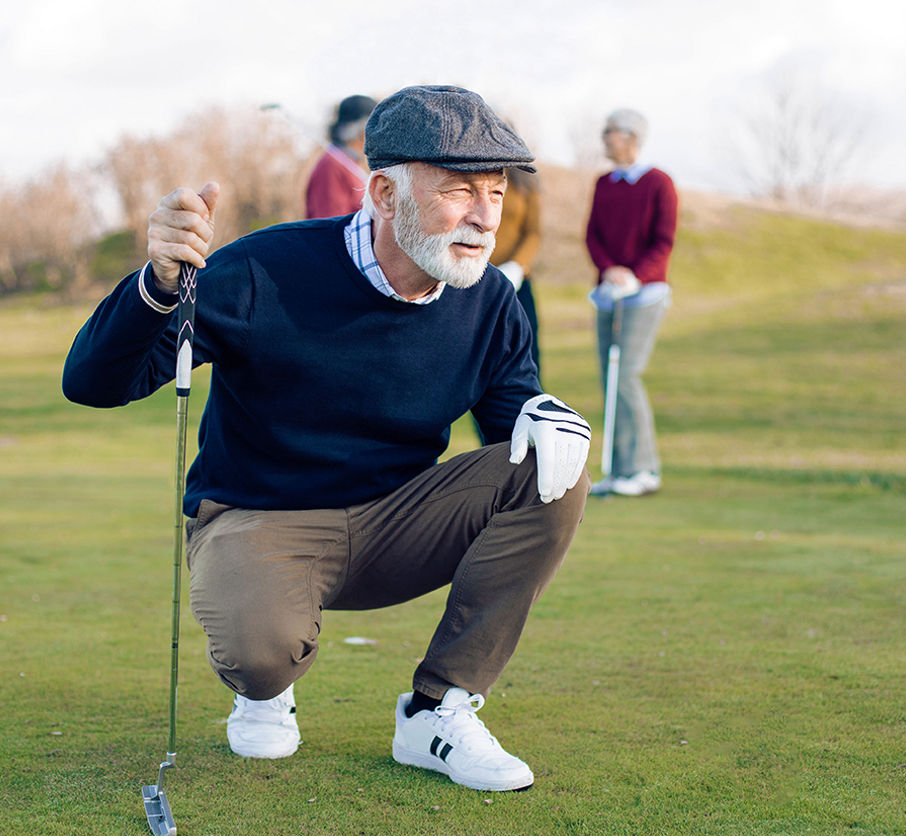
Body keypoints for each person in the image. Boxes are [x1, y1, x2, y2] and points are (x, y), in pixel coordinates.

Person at [63, 85, 592, 793]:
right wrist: (157, 286)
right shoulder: (263, 271)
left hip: (398, 524)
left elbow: (510, 433)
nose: (483, 217)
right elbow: (95, 382)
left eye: (495, 194)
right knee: (261, 652)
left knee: (551, 469)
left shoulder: (490, 299)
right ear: (382, 192)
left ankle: (439, 710)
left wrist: (544, 414)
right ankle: (264, 689)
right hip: (261, 520)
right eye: (460, 192)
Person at [584, 108, 677, 497]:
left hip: (645, 293)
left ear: (631, 137)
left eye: (610, 132)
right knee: (611, 379)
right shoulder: (604, 183)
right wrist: (610, 270)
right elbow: (592, 236)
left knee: (627, 376)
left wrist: (634, 274)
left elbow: (663, 241)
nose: (604, 138)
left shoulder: (659, 183)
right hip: (609, 294)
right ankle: (621, 472)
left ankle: (644, 469)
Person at [489, 166, 543, 375]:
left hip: (515, 282)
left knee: (526, 358)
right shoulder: (470, 171)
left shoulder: (525, 180)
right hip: (474, 280)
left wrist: (516, 265)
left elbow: (533, 233)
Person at [304, 94, 376, 219]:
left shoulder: (352, 164)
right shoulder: (331, 166)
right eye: (375, 126)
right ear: (362, 129)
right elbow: (328, 223)